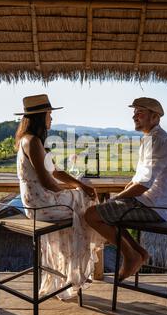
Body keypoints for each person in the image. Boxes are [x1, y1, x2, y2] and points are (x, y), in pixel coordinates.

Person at [14, 94, 104, 299]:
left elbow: (55, 171)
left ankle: (75, 259)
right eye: (50, 114)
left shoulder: (29, 140)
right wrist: (72, 191)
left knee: (83, 192)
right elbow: (48, 182)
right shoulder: (33, 142)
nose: (51, 119)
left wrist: (79, 185)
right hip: (41, 204)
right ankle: (86, 255)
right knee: (85, 201)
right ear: (41, 116)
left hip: (36, 202)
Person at [85, 97, 167, 281]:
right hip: (148, 201)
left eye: (140, 112)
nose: (134, 116)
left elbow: (144, 185)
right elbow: (138, 178)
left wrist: (117, 198)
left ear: (155, 117)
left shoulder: (159, 141)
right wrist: (121, 195)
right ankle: (138, 253)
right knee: (105, 211)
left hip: (154, 207)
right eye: (134, 112)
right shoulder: (150, 138)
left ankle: (130, 255)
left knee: (91, 215)